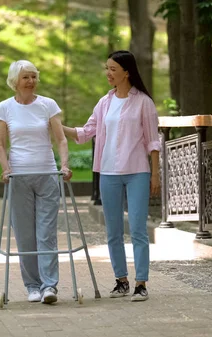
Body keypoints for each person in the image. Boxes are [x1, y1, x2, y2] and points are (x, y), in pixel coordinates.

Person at [63, 50, 160, 302]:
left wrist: (155, 174)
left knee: (138, 228)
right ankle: (121, 280)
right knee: (113, 231)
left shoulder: (143, 102)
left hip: (137, 171)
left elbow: (153, 142)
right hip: (108, 173)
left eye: (113, 69)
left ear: (126, 72)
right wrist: (55, 126)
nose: (108, 73)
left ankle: (141, 283)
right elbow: (86, 132)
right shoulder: (104, 102)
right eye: (106, 68)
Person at [0, 60, 72, 304]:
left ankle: (50, 286)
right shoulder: (4, 108)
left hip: (46, 174)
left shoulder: (47, 105)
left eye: (34, 76)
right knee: (25, 235)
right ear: (15, 81)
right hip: (19, 177)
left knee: (46, 232)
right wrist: (5, 169)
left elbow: (60, 140)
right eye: (26, 77)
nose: (31, 81)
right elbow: (0, 144)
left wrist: (65, 165)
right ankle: (32, 286)